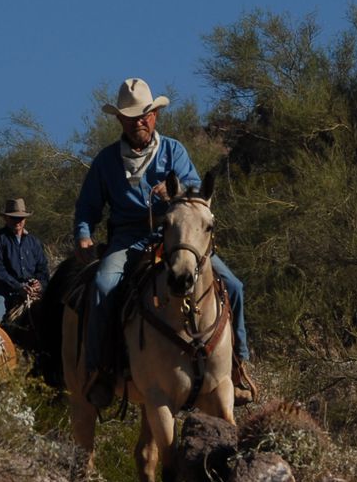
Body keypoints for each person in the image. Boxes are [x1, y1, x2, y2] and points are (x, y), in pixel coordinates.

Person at [74, 77, 257, 409]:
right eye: (131, 116)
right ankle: (100, 370)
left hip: (178, 236)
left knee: (233, 285)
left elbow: (196, 191)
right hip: (128, 238)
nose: (139, 121)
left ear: (155, 115)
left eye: (145, 114)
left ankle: (238, 367)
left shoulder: (173, 150)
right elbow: (87, 207)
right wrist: (84, 234)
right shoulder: (106, 161)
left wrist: (174, 193)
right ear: (120, 120)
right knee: (102, 286)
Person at [0, 198, 50, 324]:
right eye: (13, 218)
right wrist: (18, 286)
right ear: (6, 218)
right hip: (4, 291)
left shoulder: (34, 242)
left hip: (31, 291)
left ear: (25, 219)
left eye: (20, 218)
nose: (17, 221)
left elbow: (42, 268)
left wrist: (39, 283)